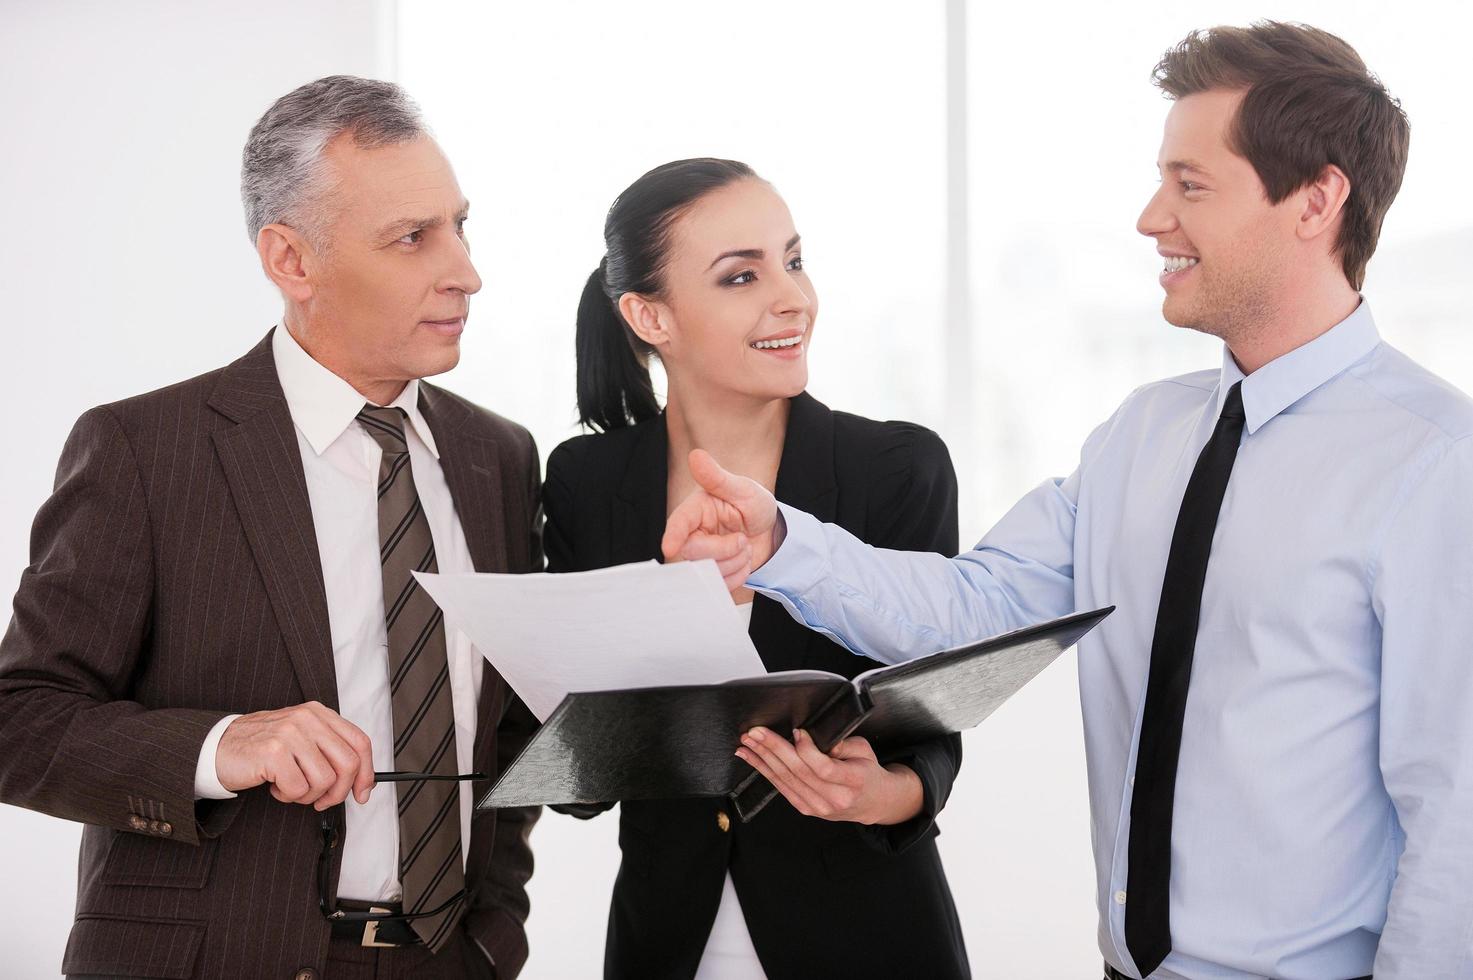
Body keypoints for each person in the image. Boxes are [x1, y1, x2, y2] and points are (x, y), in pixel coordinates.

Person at [663, 23, 1473, 980]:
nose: (1150, 218)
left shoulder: (1434, 463)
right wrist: (782, 542)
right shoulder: (1142, 434)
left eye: (1190, 184)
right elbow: (973, 611)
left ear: (1315, 200)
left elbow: (1456, 816)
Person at [0, 76, 541, 979]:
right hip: (214, 958)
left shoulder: (500, 456)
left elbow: (510, 730)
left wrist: (496, 930)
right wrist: (224, 746)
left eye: (459, 225)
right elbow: (18, 723)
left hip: (450, 958)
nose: (465, 271)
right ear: (292, 261)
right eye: (413, 238)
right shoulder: (144, 449)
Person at [543, 158, 970, 979]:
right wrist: (671, 600)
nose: (793, 298)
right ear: (648, 316)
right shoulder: (586, 482)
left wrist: (893, 793)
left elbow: (933, 720)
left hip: (871, 938)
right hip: (666, 944)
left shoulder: (895, 468)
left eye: (794, 260)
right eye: (742, 275)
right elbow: (578, 779)